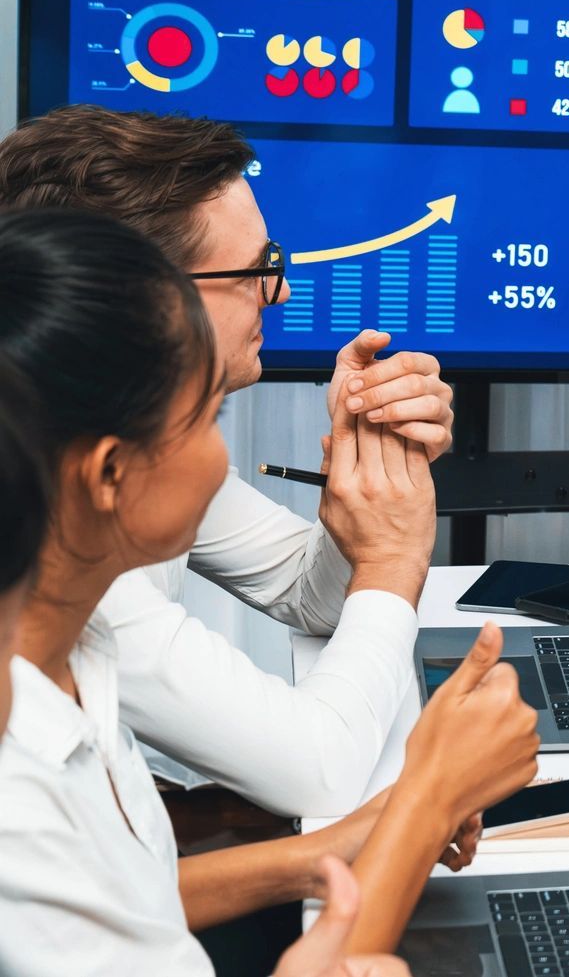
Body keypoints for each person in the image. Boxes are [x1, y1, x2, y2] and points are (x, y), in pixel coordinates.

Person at [0, 208, 540, 974]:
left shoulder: (70, 647)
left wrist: (333, 845)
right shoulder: (17, 801)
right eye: (206, 417)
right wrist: (424, 800)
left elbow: (123, 896)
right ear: (108, 472)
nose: (224, 459)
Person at [0, 104, 452, 817]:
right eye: (259, 267)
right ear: (139, 297)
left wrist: (366, 470)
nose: (281, 289)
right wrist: (393, 556)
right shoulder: (58, 547)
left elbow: (313, 596)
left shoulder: (122, 437)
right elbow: (318, 769)